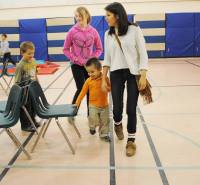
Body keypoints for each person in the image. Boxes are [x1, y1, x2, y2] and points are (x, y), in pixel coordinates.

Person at [102, 2, 148, 156]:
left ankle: (131, 141)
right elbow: (107, 58)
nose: (106, 18)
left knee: (131, 108)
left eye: (108, 15)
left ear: (117, 15)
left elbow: (142, 53)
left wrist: (143, 74)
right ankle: (117, 124)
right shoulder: (108, 34)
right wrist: (103, 78)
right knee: (116, 109)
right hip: (115, 73)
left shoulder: (134, 30)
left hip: (133, 72)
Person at [63, 6, 103, 123]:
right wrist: (76, 59)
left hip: (89, 66)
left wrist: (93, 58)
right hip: (76, 65)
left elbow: (99, 49)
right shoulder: (71, 32)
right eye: (76, 16)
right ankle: (72, 113)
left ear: (86, 16)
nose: (78, 18)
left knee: (91, 89)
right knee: (81, 88)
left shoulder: (93, 31)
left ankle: (91, 115)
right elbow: (65, 49)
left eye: (80, 16)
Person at [75, 58, 111, 142]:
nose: (90, 74)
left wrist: (107, 88)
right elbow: (82, 92)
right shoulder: (88, 81)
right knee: (94, 119)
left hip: (104, 105)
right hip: (93, 105)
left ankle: (104, 135)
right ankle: (92, 126)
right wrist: (77, 102)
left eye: (92, 72)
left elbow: (110, 88)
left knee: (105, 121)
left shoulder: (105, 79)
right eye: (88, 72)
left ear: (99, 70)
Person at [15, 41, 40, 132]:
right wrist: (19, 94)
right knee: (25, 107)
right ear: (22, 53)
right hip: (24, 91)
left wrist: (38, 86)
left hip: (32, 89)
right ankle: (25, 125)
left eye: (33, 53)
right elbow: (17, 81)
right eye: (29, 53)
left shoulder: (34, 61)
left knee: (33, 106)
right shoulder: (20, 66)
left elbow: (35, 75)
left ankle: (32, 121)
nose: (31, 55)